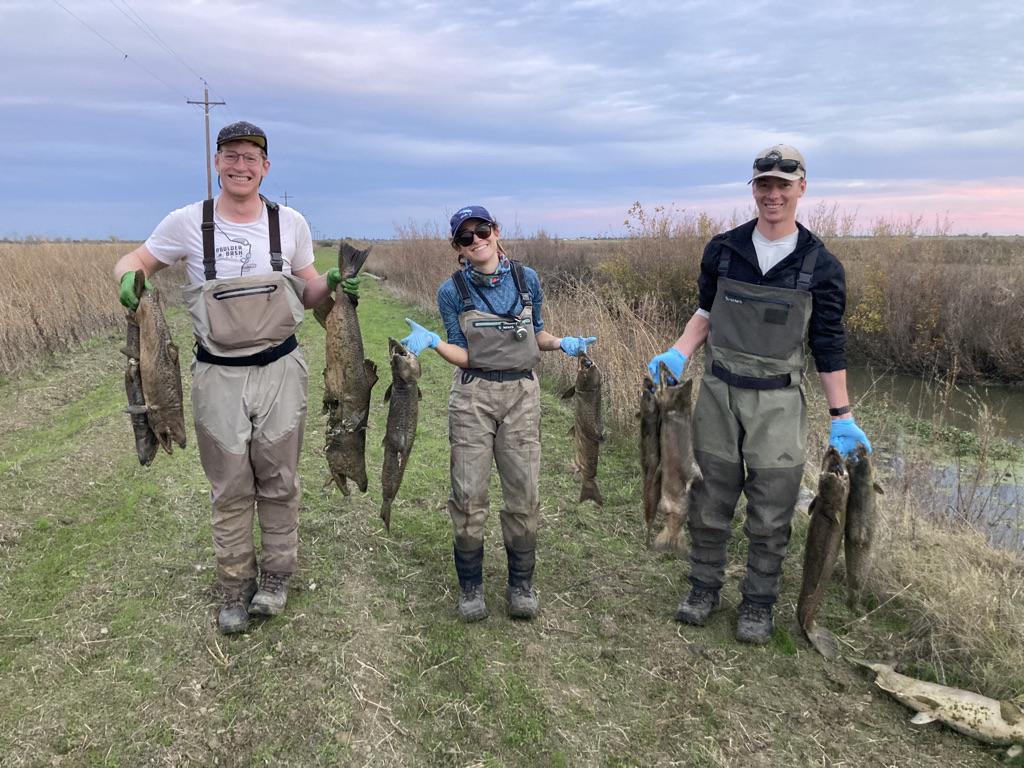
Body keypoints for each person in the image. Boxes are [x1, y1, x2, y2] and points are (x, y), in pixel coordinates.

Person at [113, 120, 358, 635]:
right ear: (216, 163)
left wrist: (329, 283)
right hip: (217, 374)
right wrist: (128, 282)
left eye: (251, 157)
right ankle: (232, 585)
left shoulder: (289, 223)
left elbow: (310, 292)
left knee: (279, 480)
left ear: (266, 168)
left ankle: (276, 575)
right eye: (231, 156)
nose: (240, 166)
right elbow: (134, 261)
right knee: (229, 486)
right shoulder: (187, 222)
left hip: (280, 371)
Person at [647, 145, 871, 645]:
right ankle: (703, 588)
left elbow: (828, 345)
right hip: (719, 394)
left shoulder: (821, 266)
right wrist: (680, 351)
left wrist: (842, 415)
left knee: (772, 510)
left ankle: (758, 602)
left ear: (801, 189)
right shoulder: (723, 250)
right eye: (763, 185)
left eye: (782, 185)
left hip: (779, 403)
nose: (772, 194)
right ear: (753, 189)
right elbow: (706, 313)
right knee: (708, 498)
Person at [400, 205, 596, 622]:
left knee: (523, 494)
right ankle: (471, 588)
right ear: (458, 246)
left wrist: (563, 343)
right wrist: (436, 342)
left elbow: (536, 333)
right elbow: (465, 354)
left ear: (496, 230)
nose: (477, 240)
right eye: (466, 237)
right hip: (473, 397)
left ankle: (521, 585)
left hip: (522, 395)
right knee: (468, 495)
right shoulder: (451, 291)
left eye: (482, 230)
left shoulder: (528, 280)